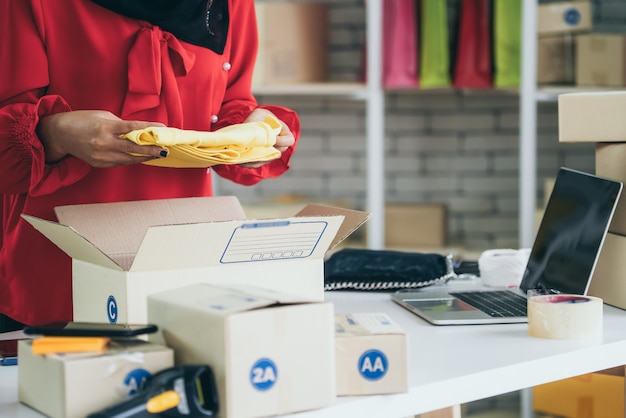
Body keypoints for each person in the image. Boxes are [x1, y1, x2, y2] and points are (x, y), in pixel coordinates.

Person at [0, 0, 301, 332]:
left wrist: (255, 130)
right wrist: (57, 134)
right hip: (59, 266)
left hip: (184, 263)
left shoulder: (230, 4)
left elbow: (232, 103)